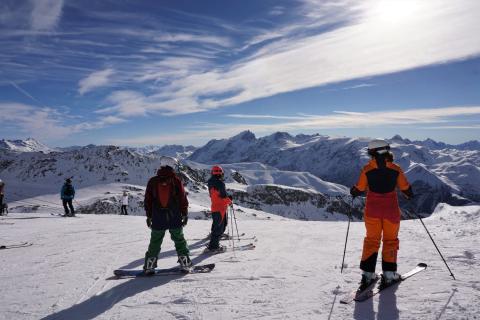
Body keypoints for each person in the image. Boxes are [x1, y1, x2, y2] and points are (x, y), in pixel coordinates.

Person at [350, 139, 413, 288]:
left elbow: (359, 188)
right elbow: (405, 187)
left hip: (372, 212)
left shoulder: (367, 169)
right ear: (386, 151)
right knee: (390, 241)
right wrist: (409, 193)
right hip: (391, 212)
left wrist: (353, 191)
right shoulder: (396, 169)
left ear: (373, 153)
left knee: (372, 241)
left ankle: (368, 275)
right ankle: (389, 275)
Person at [143, 156, 191, 274]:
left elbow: (148, 200)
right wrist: (184, 214)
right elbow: (182, 199)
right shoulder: (176, 181)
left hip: (158, 217)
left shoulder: (152, 181)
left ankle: (150, 265)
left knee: (155, 241)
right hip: (174, 216)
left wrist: (149, 216)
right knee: (179, 240)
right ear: (172, 166)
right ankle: (184, 262)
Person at [206, 165, 232, 252]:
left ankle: (213, 242)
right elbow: (224, 197)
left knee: (217, 226)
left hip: (215, 207)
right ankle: (214, 246)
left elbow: (214, 195)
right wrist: (230, 200)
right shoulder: (220, 183)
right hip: (220, 208)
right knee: (220, 227)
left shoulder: (210, 182)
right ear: (221, 173)